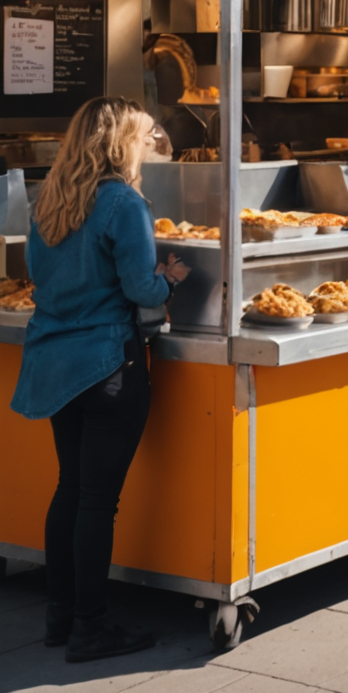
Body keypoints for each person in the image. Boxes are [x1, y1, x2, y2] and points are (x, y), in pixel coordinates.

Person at [11, 97, 188, 662]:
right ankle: (91, 626)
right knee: (96, 501)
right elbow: (140, 288)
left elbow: (41, 276)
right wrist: (168, 281)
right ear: (118, 143)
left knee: (69, 490)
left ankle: (60, 615)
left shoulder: (48, 199)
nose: (145, 147)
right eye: (140, 138)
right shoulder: (122, 201)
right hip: (110, 364)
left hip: (55, 362)